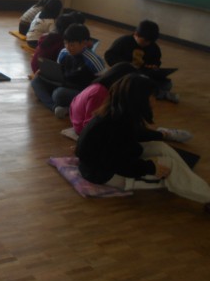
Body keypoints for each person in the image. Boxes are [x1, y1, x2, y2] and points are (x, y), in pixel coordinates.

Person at [76, 73, 210, 212]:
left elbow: (135, 134)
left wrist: (160, 135)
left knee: (160, 146)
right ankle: (207, 197)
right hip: (104, 174)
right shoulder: (116, 125)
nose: (154, 101)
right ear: (139, 99)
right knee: (169, 165)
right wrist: (151, 168)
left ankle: (189, 179)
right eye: (151, 97)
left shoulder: (116, 113)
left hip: (106, 163)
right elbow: (118, 164)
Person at [31, 23, 105, 119]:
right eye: (65, 43)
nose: (68, 47)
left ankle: (62, 104)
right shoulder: (64, 53)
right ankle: (56, 107)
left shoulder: (93, 60)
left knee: (58, 94)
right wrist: (43, 72)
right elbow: (58, 71)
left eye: (72, 45)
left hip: (81, 91)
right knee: (36, 81)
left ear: (84, 43)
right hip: (63, 84)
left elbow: (103, 84)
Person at [104, 19, 179, 103]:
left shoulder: (154, 47)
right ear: (136, 34)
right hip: (125, 74)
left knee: (167, 84)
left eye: (150, 42)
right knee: (120, 80)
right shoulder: (123, 41)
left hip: (143, 74)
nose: (147, 44)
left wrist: (154, 65)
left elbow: (156, 60)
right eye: (145, 41)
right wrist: (124, 65)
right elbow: (109, 55)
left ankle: (145, 90)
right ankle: (152, 92)